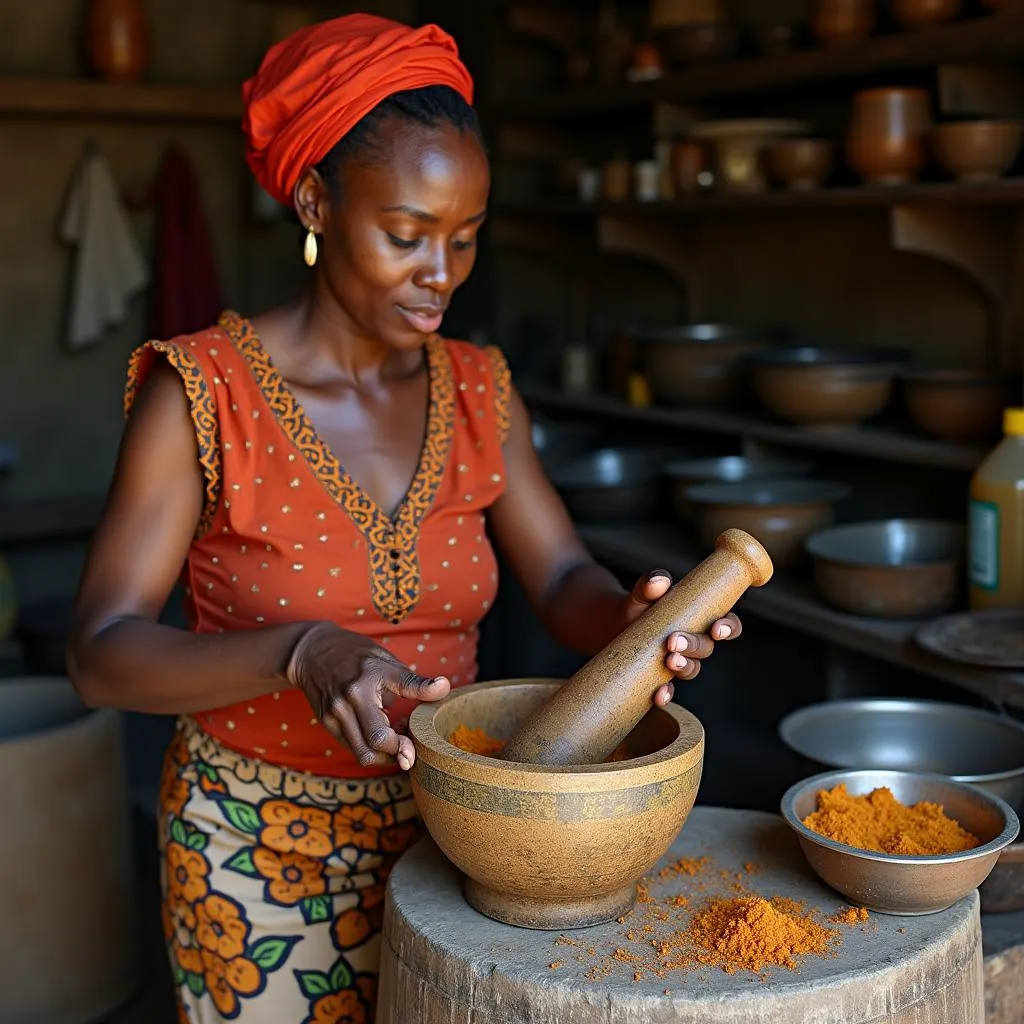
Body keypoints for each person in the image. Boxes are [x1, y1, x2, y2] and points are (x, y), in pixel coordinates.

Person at [67, 14, 742, 1023]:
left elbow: (560, 578)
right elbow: (101, 653)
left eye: (464, 238)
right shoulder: (201, 391)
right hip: (256, 857)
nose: (442, 273)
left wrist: (635, 627)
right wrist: (300, 651)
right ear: (313, 203)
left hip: (461, 839)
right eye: (407, 235)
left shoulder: (480, 390)